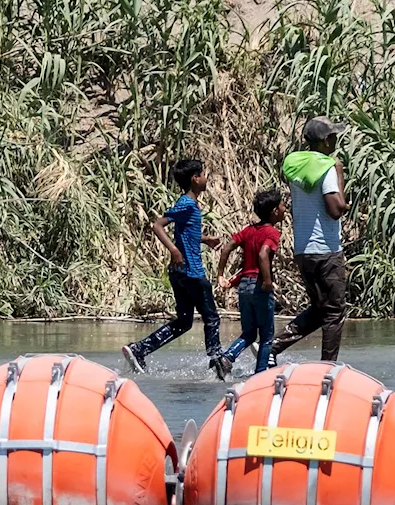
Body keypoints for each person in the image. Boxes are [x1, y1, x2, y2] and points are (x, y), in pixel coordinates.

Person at [122, 159, 223, 373]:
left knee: (185, 321)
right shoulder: (186, 203)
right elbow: (157, 225)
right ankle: (217, 363)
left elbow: (185, 233)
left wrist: (205, 239)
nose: (207, 179)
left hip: (180, 273)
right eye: (204, 175)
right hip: (191, 272)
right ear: (195, 179)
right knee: (212, 318)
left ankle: (140, 349)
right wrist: (174, 251)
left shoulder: (190, 205)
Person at [270, 116, 349, 363]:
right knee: (334, 313)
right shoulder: (326, 168)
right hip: (326, 250)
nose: (336, 140)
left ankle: (272, 347)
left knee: (319, 310)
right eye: (333, 136)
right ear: (326, 141)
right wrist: (339, 175)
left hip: (303, 250)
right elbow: (335, 209)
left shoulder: (298, 166)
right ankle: (328, 368)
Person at [212, 189, 286, 380]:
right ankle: (261, 375)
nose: (284, 209)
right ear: (274, 211)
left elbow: (228, 247)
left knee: (249, 333)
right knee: (267, 336)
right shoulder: (272, 232)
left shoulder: (249, 231)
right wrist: (268, 282)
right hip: (259, 287)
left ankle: (228, 358)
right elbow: (263, 255)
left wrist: (221, 275)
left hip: (244, 286)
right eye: (282, 206)